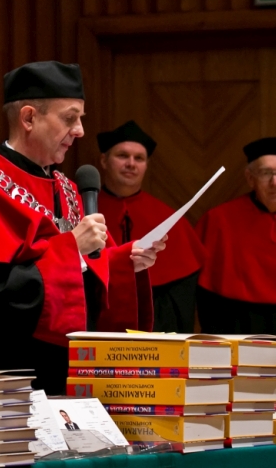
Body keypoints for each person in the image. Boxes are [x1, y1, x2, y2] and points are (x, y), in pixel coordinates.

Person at [0, 61, 164, 393]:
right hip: (6, 373)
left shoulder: (68, 188)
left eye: (80, 119)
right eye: (70, 118)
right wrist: (71, 249)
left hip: (67, 369)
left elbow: (82, 272)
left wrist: (124, 261)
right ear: (29, 118)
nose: (80, 131)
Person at [97, 121, 205, 333]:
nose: (131, 163)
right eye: (122, 155)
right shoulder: (81, 208)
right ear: (103, 160)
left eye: (139, 158)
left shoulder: (169, 218)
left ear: (146, 165)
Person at [197, 138, 276, 334]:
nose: (275, 182)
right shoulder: (219, 220)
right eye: (266, 173)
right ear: (250, 178)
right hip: (238, 325)